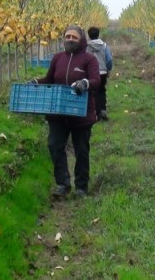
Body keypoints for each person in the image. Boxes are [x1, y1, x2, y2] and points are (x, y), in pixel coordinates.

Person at [32, 25, 101, 199]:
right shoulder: (57, 58)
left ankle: (81, 187)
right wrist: (36, 82)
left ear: (81, 40)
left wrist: (85, 83)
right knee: (55, 145)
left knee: (81, 150)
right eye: (68, 36)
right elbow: (49, 79)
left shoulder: (89, 59)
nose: (70, 40)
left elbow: (96, 80)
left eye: (74, 37)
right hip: (58, 112)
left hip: (80, 113)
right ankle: (63, 183)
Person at [86, 26, 113, 121]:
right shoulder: (104, 46)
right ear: (98, 34)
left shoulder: (86, 47)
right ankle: (102, 110)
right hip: (102, 72)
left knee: (93, 92)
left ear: (89, 35)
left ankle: (95, 113)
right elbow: (109, 59)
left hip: (91, 73)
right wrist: (108, 69)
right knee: (102, 90)